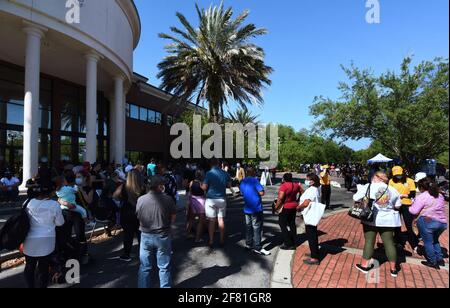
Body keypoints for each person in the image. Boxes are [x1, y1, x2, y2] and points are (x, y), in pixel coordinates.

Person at [354, 172, 402, 278]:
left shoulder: (368, 187)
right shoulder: (393, 189)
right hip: (389, 220)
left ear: (377, 178)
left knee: (369, 242)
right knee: (389, 243)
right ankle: (393, 269)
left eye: (373, 176)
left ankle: (365, 266)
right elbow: (398, 206)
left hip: (371, 219)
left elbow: (355, 198)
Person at [137, 176, 177, 288]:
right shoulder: (168, 199)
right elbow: (173, 217)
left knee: (145, 267)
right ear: (160, 186)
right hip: (163, 235)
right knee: (164, 267)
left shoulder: (141, 199)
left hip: (145, 235)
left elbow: (139, 217)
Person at [23, 182, 65, 288]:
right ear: (50, 193)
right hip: (47, 239)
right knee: (43, 267)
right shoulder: (54, 204)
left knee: (29, 265)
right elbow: (60, 223)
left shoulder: (27, 202)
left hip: (29, 239)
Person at [410, 178, 448, 269]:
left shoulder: (422, 196)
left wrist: (411, 204)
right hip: (442, 223)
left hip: (427, 222)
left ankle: (432, 262)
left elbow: (414, 211)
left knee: (428, 242)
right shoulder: (440, 195)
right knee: (435, 240)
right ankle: (440, 259)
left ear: (421, 187)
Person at [202, 158, 232, 249]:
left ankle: (211, 241)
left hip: (211, 199)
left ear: (211, 164)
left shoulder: (209, 173)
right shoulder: (225, 173)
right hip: (221, 199)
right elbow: (229, 185)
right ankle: (222, 240)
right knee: (221, 220)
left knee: (211, 220)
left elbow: (204, 187)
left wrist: (201, 185)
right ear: (218, 163)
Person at [240, 167, 270, 256]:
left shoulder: (243, 181)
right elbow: (261, 193)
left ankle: (248, 244)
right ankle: (257, 247)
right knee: (257, 227)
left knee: (248, 227)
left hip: (247, 208)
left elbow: (242, 193)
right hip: (256, 208)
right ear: (253, 172)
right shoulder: (255, 180)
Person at [115, 169, 145, 262]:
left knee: (127, 235)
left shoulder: (123, 186)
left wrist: (122, 198)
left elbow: (114, 196)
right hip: (140, 213)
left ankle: (126, 254)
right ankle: (143, 254)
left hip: (126, 213)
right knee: (141, 234)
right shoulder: (143, 187)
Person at [389, 166, 419, 252]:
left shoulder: (410, 181)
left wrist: (405, 196)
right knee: (396, 224)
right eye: (396, 175)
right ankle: (398, 242)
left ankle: (414, 244)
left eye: (399, 174)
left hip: (407, 204)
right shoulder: (391, 181)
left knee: (409, 224)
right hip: (395, 205)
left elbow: (413, 194)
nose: (398, 176)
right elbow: (389, 193)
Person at [297, 173, 322, 265]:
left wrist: (298, 207)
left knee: (311, 235)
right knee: (313, 234)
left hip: (310, 215)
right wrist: (301, 189)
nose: (306, 180)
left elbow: (306, 202)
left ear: (312, 181)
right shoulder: (313, 189)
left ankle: (314, 258)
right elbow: (306, 196)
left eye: (307, 179)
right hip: (312, 215)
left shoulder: (312, 190)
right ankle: (314, 252)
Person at [275, 173, 303, 250]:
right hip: (293, 206)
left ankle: (288, 243)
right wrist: (298, 200)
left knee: (282, 223)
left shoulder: (284, 186)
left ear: (284, 178)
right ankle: (294, 241)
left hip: (286, 206)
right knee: (292, 223)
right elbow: (302, 192)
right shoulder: (296, 185)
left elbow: (280, 198)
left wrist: (276, 207)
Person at [186, 170, 207, 243]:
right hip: (200, 201)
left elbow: (190, 192)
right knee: (200, 221)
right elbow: (205, 192)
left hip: (192, 200)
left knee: (191, 219)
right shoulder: (202, 183)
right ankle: (197, 239)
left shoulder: (191, 182)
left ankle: (187, 234)